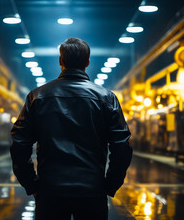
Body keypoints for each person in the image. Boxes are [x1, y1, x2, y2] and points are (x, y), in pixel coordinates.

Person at [10, 37, 132, 220]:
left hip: (50, 191)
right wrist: (109, 185)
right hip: (92, 191)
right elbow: (121, 146)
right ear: (87, 62)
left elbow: (19, 143)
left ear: (61, 61)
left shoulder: (37, 96)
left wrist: (32, 185)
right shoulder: (106, 98)